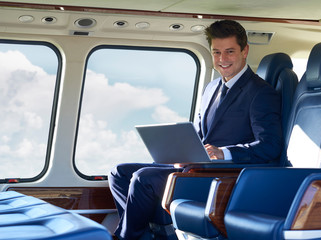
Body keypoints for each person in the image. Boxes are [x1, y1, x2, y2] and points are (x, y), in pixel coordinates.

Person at [108, 19, 283, 240]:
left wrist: (224, 152)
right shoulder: (211, 88)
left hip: (222, 176)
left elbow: (270, 145)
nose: (222, 59)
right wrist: (180, 151)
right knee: (119, 173)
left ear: (245, 50)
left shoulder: (260, 92)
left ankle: (126, 237)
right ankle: (142, 234)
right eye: (216, 52)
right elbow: (202, 136)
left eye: (230, 51)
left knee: (144, 178)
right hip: (196, 165)